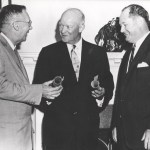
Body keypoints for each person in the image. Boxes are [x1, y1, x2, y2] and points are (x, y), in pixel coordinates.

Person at [33, 8, 114, 150]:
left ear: (81, 27)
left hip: (87, 133)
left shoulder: (98, 53)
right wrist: (49, 97)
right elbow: (37, 90)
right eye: (60, 25)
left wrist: (101, 95)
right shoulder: (48, 53)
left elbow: (108, 84)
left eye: (68, 26)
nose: (62, 30)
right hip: (56, 133)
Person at [0, 4, 63, 150]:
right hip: (7, 134)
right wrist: (39, 90)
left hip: (17, 132)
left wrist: (42, 89)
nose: (31, 28)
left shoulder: (10, 48)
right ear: (16, 25)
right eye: (28, 23)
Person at [111, 4, 150, 150]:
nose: (121, 30)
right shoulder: (128, 54)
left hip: (144, 136)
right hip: (124, 135)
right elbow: (121, 92)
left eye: (124, 24)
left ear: (139, 21)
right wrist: (115, 124)